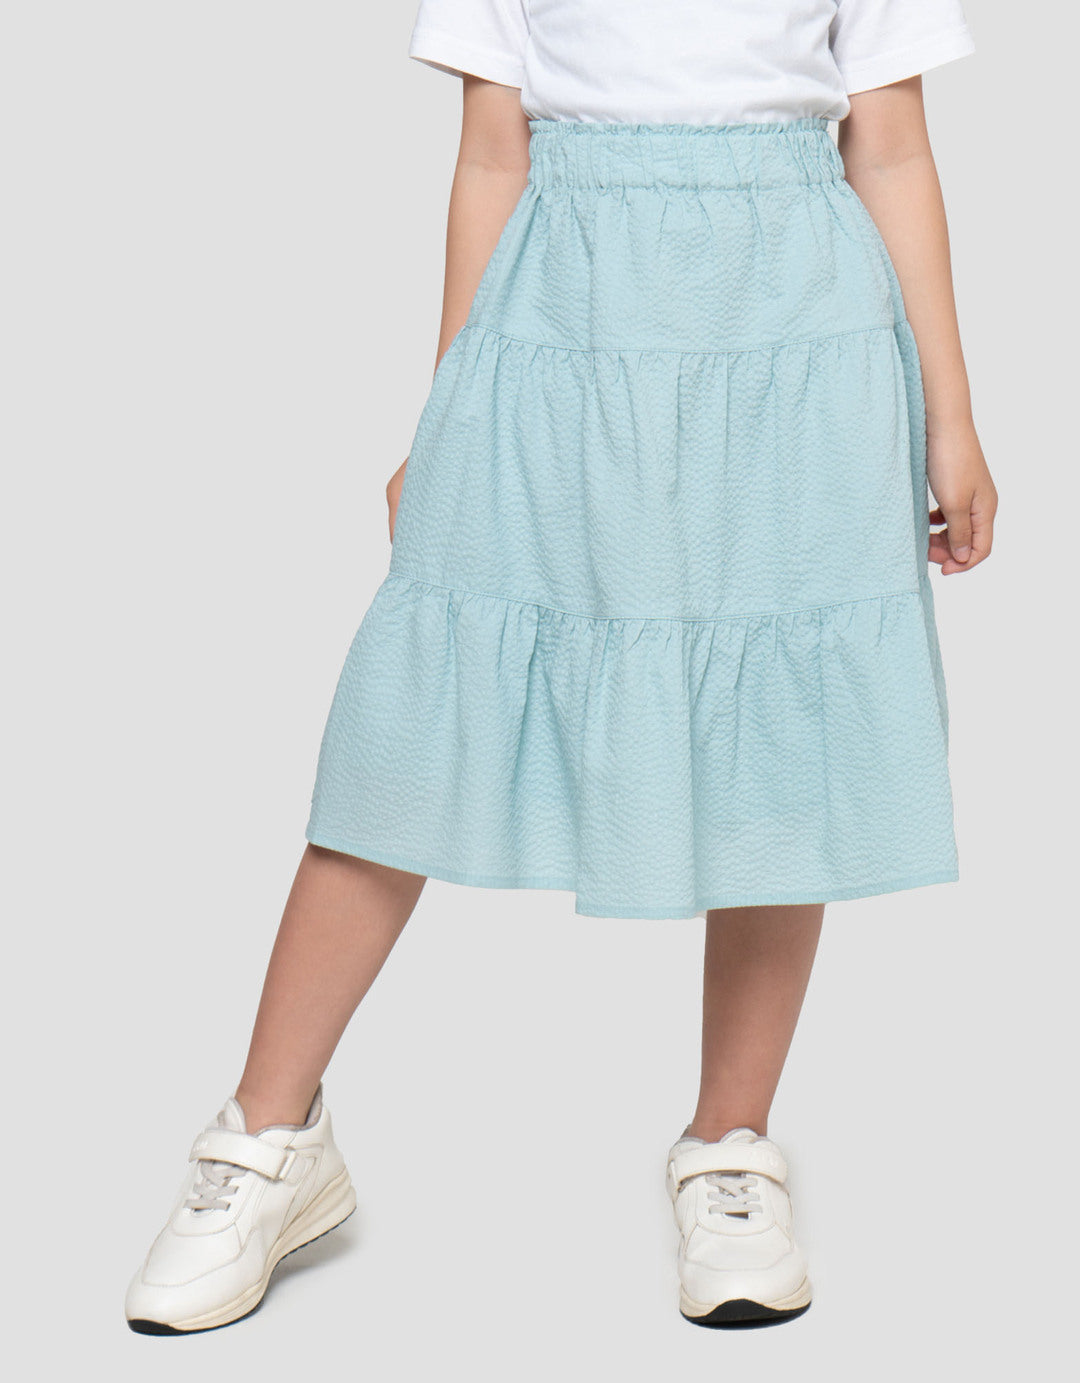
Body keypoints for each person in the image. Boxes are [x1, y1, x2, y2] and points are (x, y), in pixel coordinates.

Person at [125, 0, 996, 1335]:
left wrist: (950, 418)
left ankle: (731, 1148)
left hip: (797, 342)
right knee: (412, 726)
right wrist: (448, 407)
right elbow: (491, 153)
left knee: (774, 738)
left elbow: (891, 146)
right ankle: (267, 1137)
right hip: (560, 335)